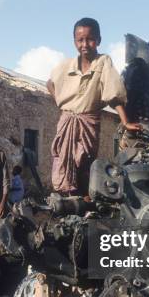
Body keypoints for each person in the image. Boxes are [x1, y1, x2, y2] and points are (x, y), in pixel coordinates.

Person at [47, 17, 142, 196]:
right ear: (74, 40)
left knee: (84, 162)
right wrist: (60, 103)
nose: (85, 44)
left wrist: (126, 121)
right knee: (62, 160)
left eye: (90, 39)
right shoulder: (66, 65)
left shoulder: (103, 62)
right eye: (80, 39)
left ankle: (84, 201)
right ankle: (65, 202)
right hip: (67, 121)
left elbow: (113, 93)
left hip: (88, 123)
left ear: (98, 40)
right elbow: (50, 83)